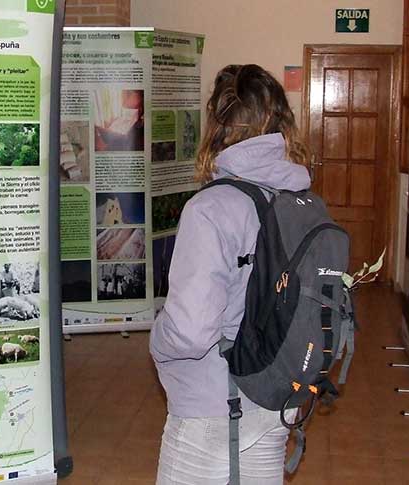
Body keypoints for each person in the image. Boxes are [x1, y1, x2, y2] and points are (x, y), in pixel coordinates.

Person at [150, 64, 310, 484]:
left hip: (210, 411)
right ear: (280, 124)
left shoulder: (210, 210)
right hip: (275, 399)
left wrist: (157, 337)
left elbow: (189, 332)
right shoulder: (299, 200)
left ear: (218, 126)